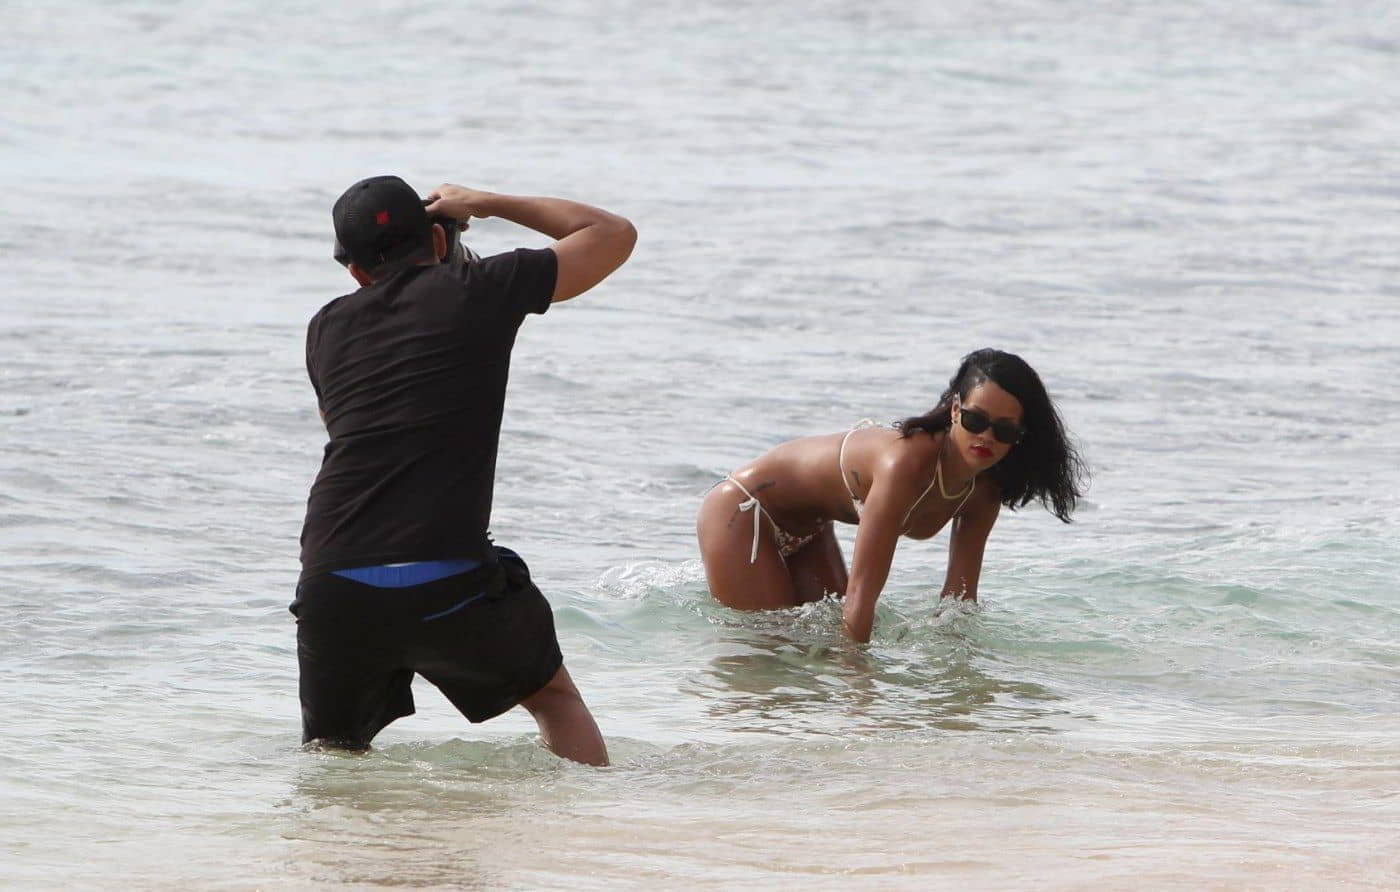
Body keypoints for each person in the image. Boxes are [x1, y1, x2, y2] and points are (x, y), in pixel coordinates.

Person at [292, 175, 636, 764]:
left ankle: (332, 830)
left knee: (334, 754)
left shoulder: (325, 328)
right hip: (447, 576)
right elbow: (611, 234)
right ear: (437, 238)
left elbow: (343, 422)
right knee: (553, 699)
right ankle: (594, 817)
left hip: (335, 578)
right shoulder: (479, 287)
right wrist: (485, 202)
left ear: (355, 271)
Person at [696, 348, 1085, 643]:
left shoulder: (983, 493)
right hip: (745, 511)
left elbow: (959, 602)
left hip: (810, 530)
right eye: (975, 419)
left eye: (1004, 430)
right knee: (773, 655)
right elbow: (862, 595)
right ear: (954, 410)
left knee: (820, 649)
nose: (986, 437)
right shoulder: (905, 465)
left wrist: (961, 686)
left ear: (1021, 437)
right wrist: (862, 693)